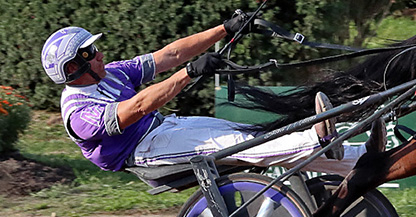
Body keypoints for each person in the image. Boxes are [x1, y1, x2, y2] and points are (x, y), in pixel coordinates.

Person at [40, 14, 384, 176]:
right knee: (238, 147)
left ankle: (357, 158)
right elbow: (139, 106)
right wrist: (189, 74)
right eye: (90, 53)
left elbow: (169, 55)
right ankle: (316, 138)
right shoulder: (78, 113)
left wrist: (226, 28)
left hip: (164, 129)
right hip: (141, 151)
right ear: (73, 69)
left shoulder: (111, 71)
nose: (99, 53)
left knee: (249, 137)